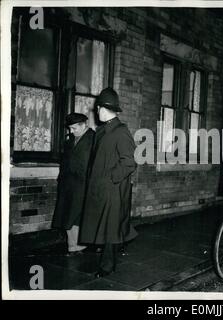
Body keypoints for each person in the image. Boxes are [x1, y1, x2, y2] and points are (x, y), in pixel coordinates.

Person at [79, 87, 137, 278]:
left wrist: (110, 177)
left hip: (113, 190)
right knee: (104, 225)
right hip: (100, 188)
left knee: (110, 227)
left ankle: (107, 266)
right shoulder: (103, 130)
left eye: (98, 109)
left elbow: (129, 162)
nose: (97, 112)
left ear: (104, 109)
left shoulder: (120, 132)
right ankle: (110, 251)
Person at [52, 113, 94, 256]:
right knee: (68, 214)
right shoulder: (70, 140)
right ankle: (74, 245)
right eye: (70, 128)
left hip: (84, 183)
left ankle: (79, 244)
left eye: (74, 128)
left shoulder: (94, 139)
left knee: (76, 215)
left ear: (84, 125)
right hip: (67, 183)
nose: (71, 132)